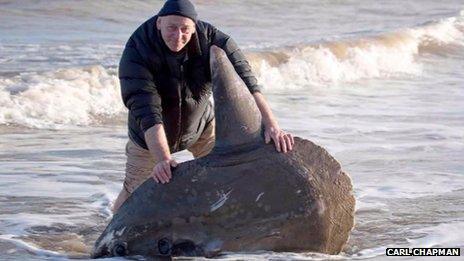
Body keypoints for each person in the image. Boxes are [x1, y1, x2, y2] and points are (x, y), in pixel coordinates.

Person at [113, 0, 294, 213]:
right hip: (148, 138)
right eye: (172, 27)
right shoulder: (137, 50)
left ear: (195, 26)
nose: (178, 36)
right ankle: (106, 237)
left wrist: (272, 125)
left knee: (228, 180)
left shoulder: (213, 40)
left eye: (185, 30)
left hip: (200, 128)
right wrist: (163, 159)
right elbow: (147, 111)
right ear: (159, 23)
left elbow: (247, 83)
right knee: (135, 197)